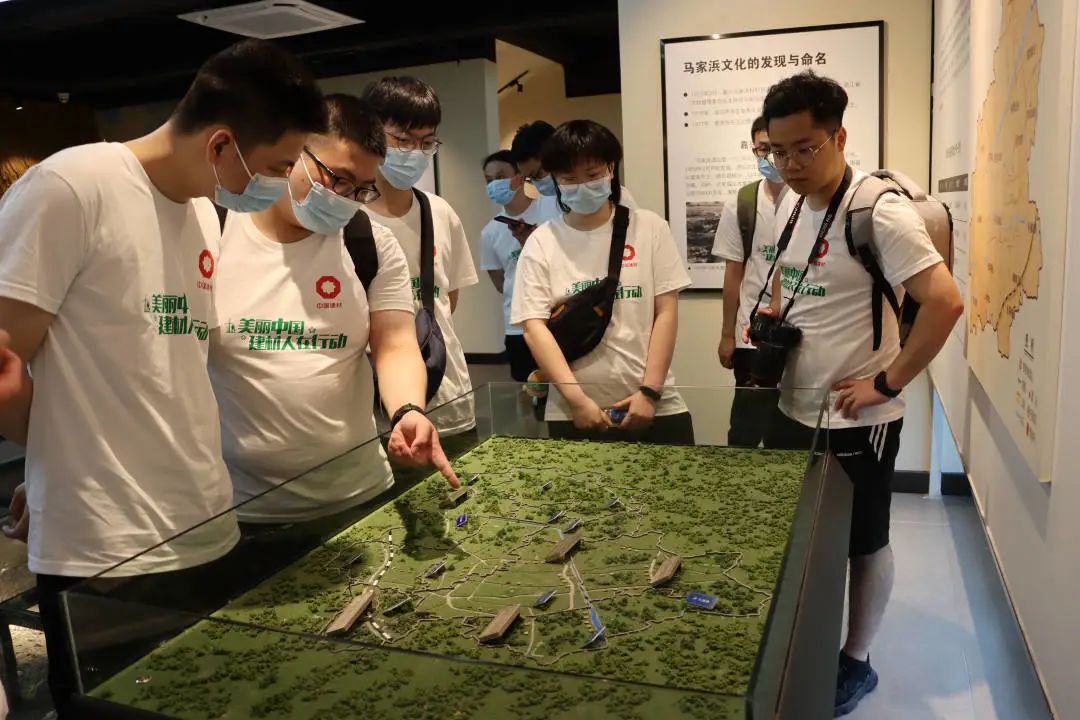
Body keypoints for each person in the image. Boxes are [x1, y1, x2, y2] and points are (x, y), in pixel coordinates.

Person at [0, 40, 326, 715]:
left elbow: (158, 367)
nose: (282, 182)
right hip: (108, 552)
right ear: (220, 144)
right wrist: (57, 463)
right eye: (277, 166)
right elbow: (2, 365)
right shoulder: (71, 188)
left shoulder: (203, 210)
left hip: (203, 523)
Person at [756, 71, 963, 716]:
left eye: (805, 148)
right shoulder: (794, 203)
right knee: (806, 535)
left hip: (855, 417)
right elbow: (799, 282)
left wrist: (887, 382)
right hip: (796, 403)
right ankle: (808, 636)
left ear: (839, 137)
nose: (790, 164)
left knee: (864, 539)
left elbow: (946, 302)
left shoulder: (879, 211)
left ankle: (857, 659)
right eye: (778, 151)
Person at [209, 93, 459, 525]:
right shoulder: (213, 231)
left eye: (361, 188)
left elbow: (396, 344)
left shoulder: (369, 242)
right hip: (243, 507)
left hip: (359, 492)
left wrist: (408, 410)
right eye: (337, 179)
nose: (346, 198)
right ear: (293, 152)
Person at [511, 120, 694, 444]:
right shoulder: (542, 241)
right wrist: (577, 401)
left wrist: (650, 392)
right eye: (569, 179)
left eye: (592, 174)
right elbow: (533, 328)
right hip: (573, 411)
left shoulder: (649, 228)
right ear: (555, 179)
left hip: (655, 405)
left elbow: (666, 312)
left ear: (611, 168)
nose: (582, 186)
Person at [360, 77, 479, 442]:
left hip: (449, 396)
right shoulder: (347, 219)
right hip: (375, 409)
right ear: (372, 133)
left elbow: (448, 299)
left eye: (426, 142)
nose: (414, 152)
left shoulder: (440, 212)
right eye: (403, 140)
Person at [712, 116, 789, 447]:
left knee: (786, 432)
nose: (769, 157)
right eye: (762, 149)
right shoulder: (742, 203)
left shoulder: (811, 202)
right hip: (751, 334)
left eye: (776, 148)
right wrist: (727, 334)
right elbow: (733, 274)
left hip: (796, 334)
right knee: (745, 431)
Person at [479, 150, 559, 383]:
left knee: (563, 388)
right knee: (528, 390)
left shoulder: (553, 208)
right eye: (489, 180)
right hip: (517, 326)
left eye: (501, 176)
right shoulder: (490, 232)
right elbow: (500, 283)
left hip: (559, 317)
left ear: (521, 176)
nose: (495, 184)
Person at [510, 120, 640, 210]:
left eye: (538, 174)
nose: (538, 183)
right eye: (531, 179)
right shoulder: (545, 205)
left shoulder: (614, 197)